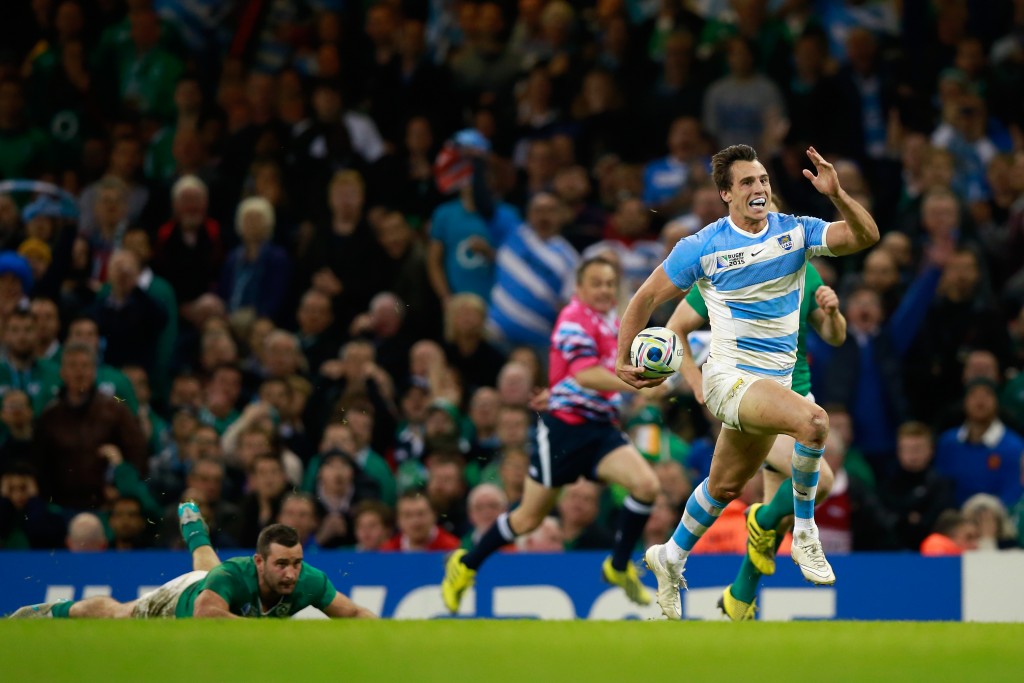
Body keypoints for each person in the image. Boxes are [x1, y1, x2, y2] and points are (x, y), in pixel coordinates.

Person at [617, 144, 879, 620]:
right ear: (725, 194)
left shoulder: (797, 234)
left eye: (762, 180)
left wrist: (837, 194)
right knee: (815, 424)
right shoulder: (703, 248)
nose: (759, 188)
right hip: (730, 380)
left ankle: (669, 556)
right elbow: (645, 298)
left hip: (777, 385)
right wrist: (622, 359)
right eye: (746, 183)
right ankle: (804, 535)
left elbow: (865, 235)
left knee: (723, 486)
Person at [442, 257, 663, 612]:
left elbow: (588, 375)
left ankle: (618, 566)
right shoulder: (573, 319)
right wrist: (638, 386)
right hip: (564, 430)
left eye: (609, 283)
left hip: (601, 429)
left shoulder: (610, 322)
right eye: (597, 283)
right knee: (528, 517)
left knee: (647, 486)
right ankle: (465, 565)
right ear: (579, 288)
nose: (605, 289)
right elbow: (584, 375)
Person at [666, 257, 846, 620]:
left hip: (799, 400)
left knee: (778, 522)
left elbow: (834, 336)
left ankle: (738, 599)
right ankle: (760, 518)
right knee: (819, 481)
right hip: (752, 400)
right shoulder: (729, 269)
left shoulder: (804, 272)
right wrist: (694, 381)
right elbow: (676, 328)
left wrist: (833, 312)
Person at [11, 502, 375, 619]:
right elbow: (206, 613)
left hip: (212, 579)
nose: (291, 573)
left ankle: (195, 530)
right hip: (182, 600)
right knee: (120, 614)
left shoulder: (307, 578)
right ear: (259, 562)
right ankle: (51, 612)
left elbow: (354, 613)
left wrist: (384, 634)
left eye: (296, 563)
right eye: (282, 564)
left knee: (209, 567)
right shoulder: (236, 574)